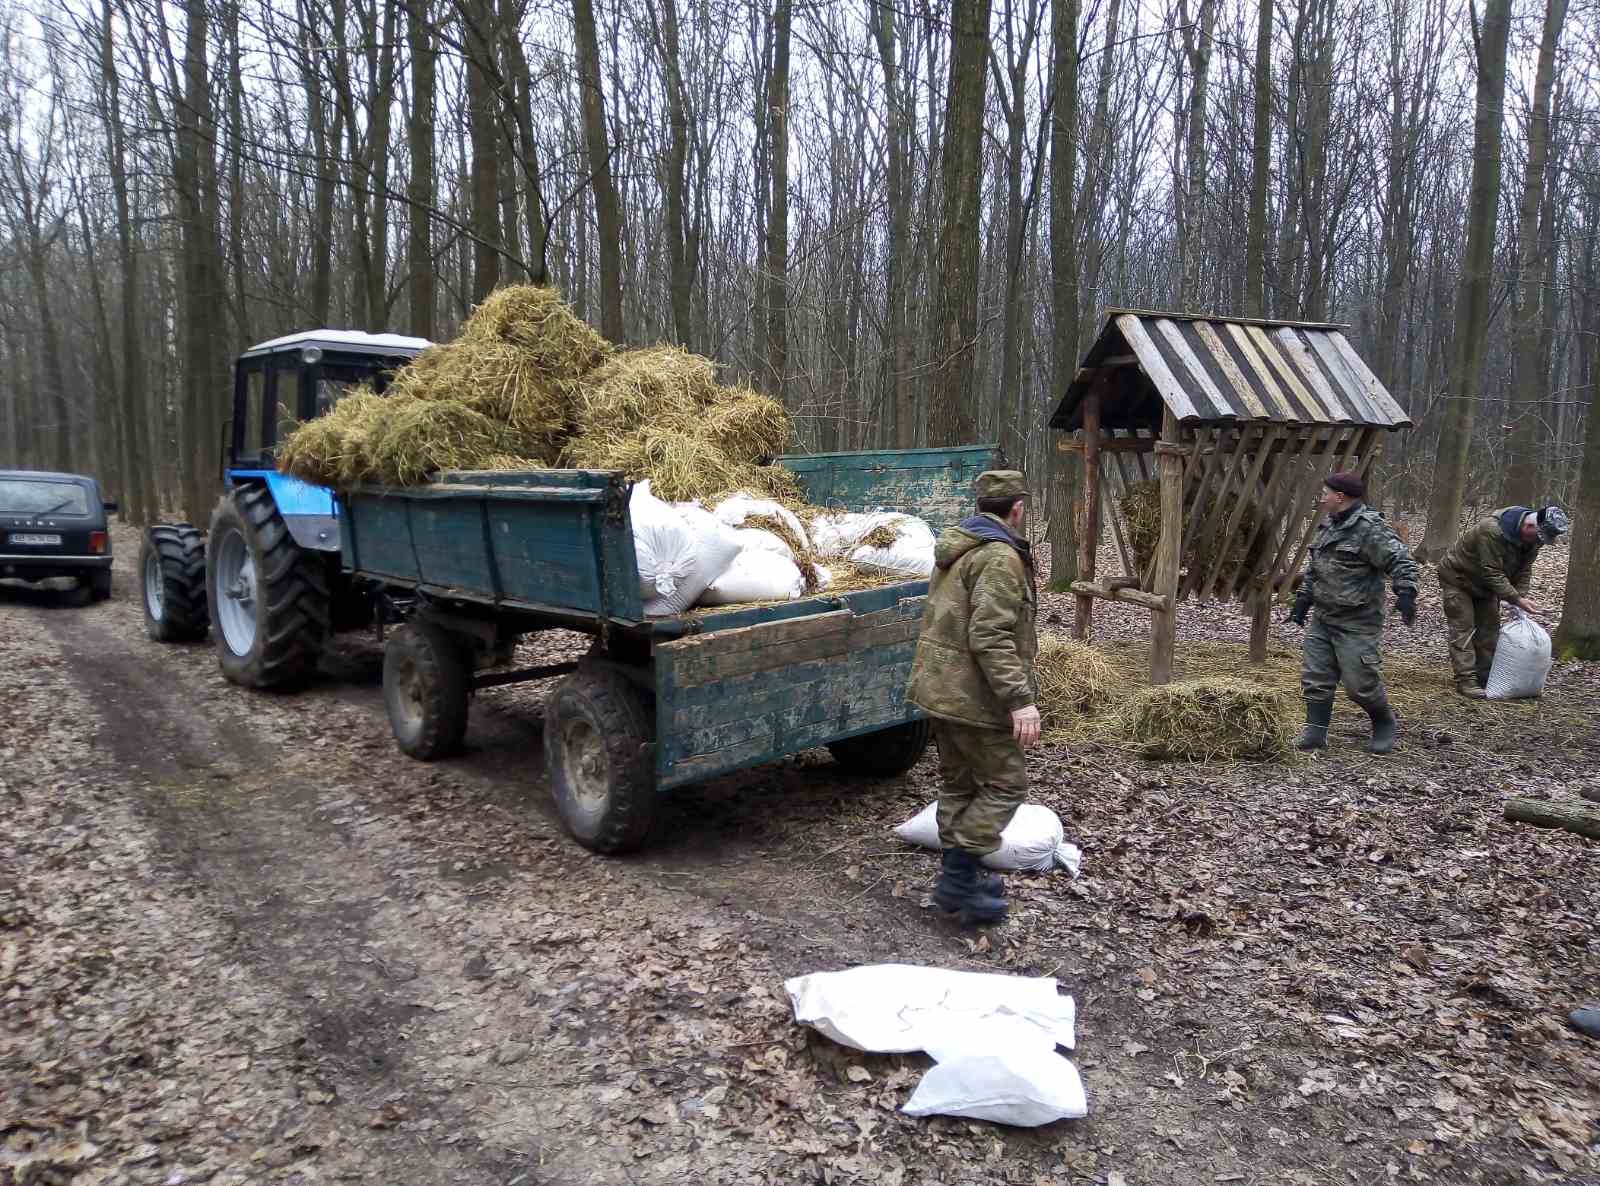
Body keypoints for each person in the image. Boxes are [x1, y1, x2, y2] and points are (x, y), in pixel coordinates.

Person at [906, 469, 1039, 925]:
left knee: (959, 783)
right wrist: (1019, 699)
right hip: (972, 694)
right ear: (1017, 509)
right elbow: (990, 634)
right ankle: (960, 874)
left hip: (939, 686)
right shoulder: (1000, 557)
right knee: (1006, 784)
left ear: (981, 506)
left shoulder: (957, 547)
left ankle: (961, 876)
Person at [1289, 471, 1419, 754]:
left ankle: (1384, 721)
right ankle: (1316, 732)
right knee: (1316, 679)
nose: (1322, 498)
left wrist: (1406, 592)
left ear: (1340, 496)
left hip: (1357, 619)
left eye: (1325, 493)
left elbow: (1401, 559)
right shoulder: (1330, 526)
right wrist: (1303, 600)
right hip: (1323, 617)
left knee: (1360, 684)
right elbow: (1317, 567)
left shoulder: (1370, 528)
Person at [1436, 505, 1570, 698]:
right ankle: (1466, 681)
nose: (1537, 543)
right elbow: (1491, 571)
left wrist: (1520, 598)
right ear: (1530, 525)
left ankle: (1485, 677)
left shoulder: (1534, 539)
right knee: (1463, 629)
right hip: (1459, 579)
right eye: (1537, 537)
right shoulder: (1491, 531)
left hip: (1485, 587)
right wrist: (1515, 598)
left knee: (1489, 630)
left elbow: (1524, 570)